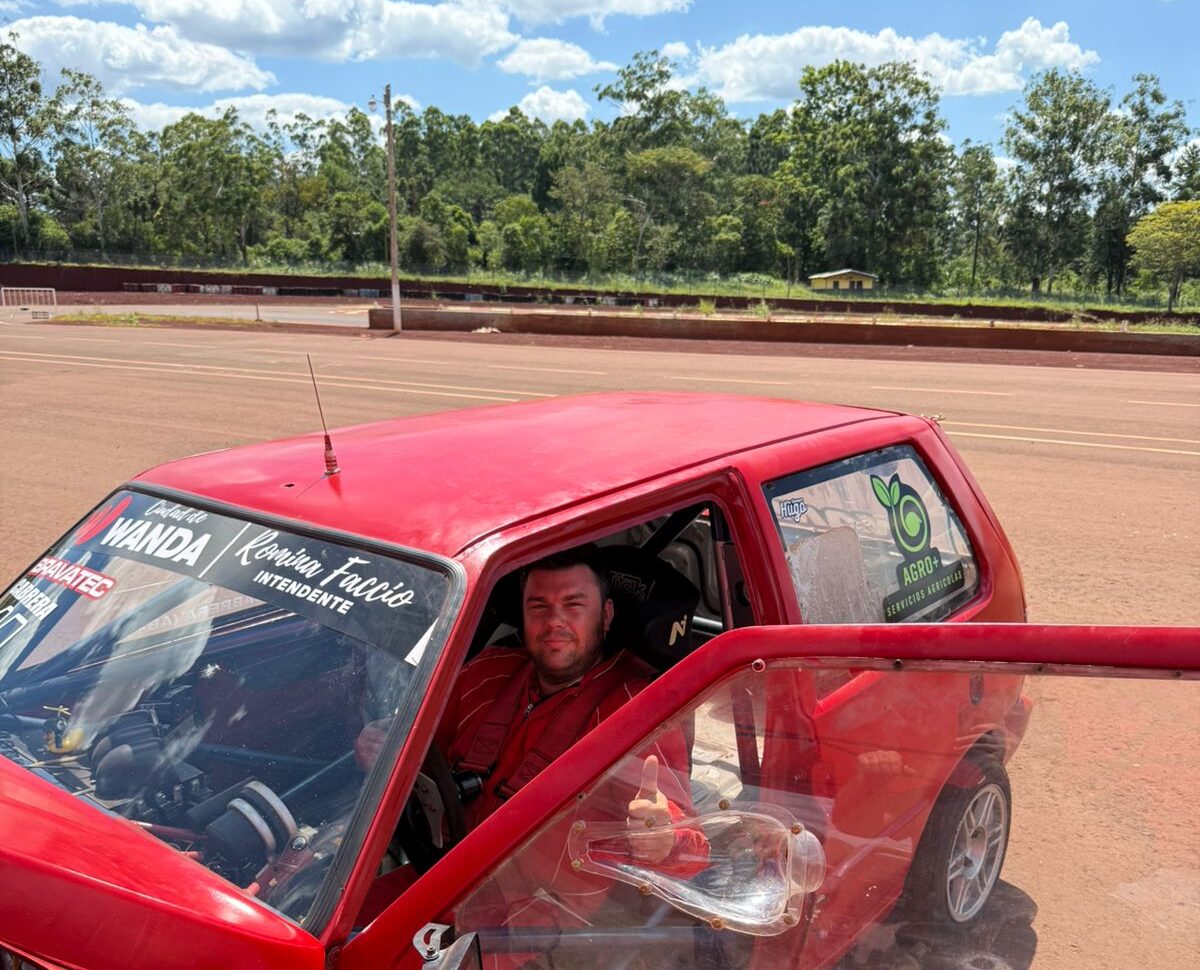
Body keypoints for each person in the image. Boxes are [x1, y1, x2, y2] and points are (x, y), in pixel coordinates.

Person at [356, 544, 701, 865]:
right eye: (539, 607)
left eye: (573, 605)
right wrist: (384, 749)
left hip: (546, 917)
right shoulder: (484, 672)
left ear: (607, 615)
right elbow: (424, 754)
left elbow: (693, 843)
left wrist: (664, 839)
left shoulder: (637, 712)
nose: (554, 622)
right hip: (439, 871)